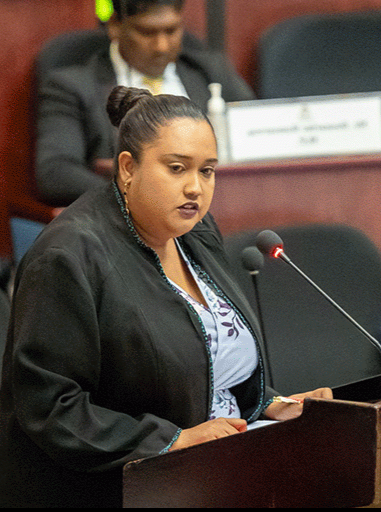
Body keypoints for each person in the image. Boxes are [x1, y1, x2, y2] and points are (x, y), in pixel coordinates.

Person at [0, 87, 331, 507]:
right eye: (177, 168)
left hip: (216, 473)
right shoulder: (68, 257)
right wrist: (172, 440)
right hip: (115, 490)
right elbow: (50, 407)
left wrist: (271, 403)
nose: (195, 188)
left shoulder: (195, 232)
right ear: (127, 169)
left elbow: (212, 355)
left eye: (207, 171)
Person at [36, 0, 255, 206]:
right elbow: (55, 173)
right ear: (114, 26)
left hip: (219, 206)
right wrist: (137, 197)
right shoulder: (73, 86)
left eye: (171, 31)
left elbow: (260, 134)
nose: (161, 46)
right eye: (146, 32)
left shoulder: (210, 71)